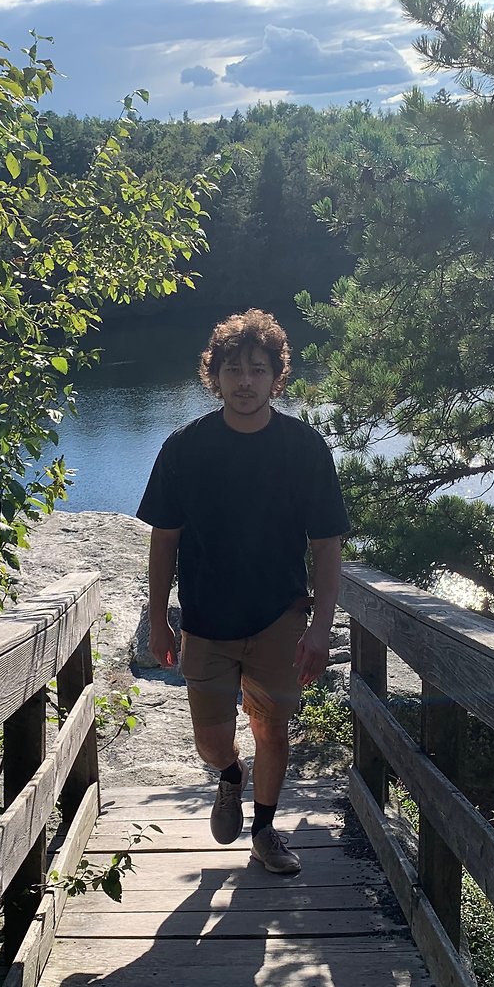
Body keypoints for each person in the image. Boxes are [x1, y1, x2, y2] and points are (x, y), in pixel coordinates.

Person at [137, 309, 348, 875]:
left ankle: (264, 831)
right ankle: (230, 775)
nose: (246, 382)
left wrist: (320, 629)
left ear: (276, 376)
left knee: (272, 727)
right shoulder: (185, 448)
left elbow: (327, 545)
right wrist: (158, 620)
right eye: (234, 369)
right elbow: (164, 538)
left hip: (279, 616)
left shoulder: (303, 448)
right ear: (215, 375)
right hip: (206, 620)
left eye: (258, 369)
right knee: (211, 739)